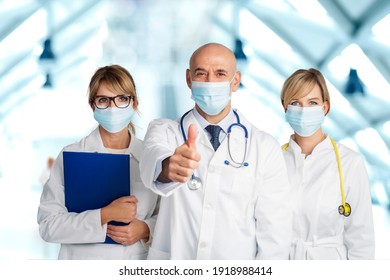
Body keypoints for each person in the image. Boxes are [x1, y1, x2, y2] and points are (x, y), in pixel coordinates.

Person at [139, 42, 292, 259]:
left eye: (220, 73)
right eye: (201, 73)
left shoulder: (264, 147)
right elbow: (152, 158)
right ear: (189, 79)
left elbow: (275, 233)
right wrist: (168, 167)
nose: (210, 82)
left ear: (235, 80)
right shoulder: (165, 130)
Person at [37, 65, 159, 259]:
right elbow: (48, 226)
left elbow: (169, 218)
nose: (113, 107)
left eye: (122, 99)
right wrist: (104, 214)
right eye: (103, 100)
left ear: (134, 103)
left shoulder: (152, 157)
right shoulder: (72, 155)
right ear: (93, 105)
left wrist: (145, 229)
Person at [280, 68, 375, 259]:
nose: (303, 110)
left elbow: (362, 241)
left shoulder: (349, 163)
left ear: (325, 107)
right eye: (295, 103)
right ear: (285, 108)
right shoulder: (273, 160)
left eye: (312, 102)